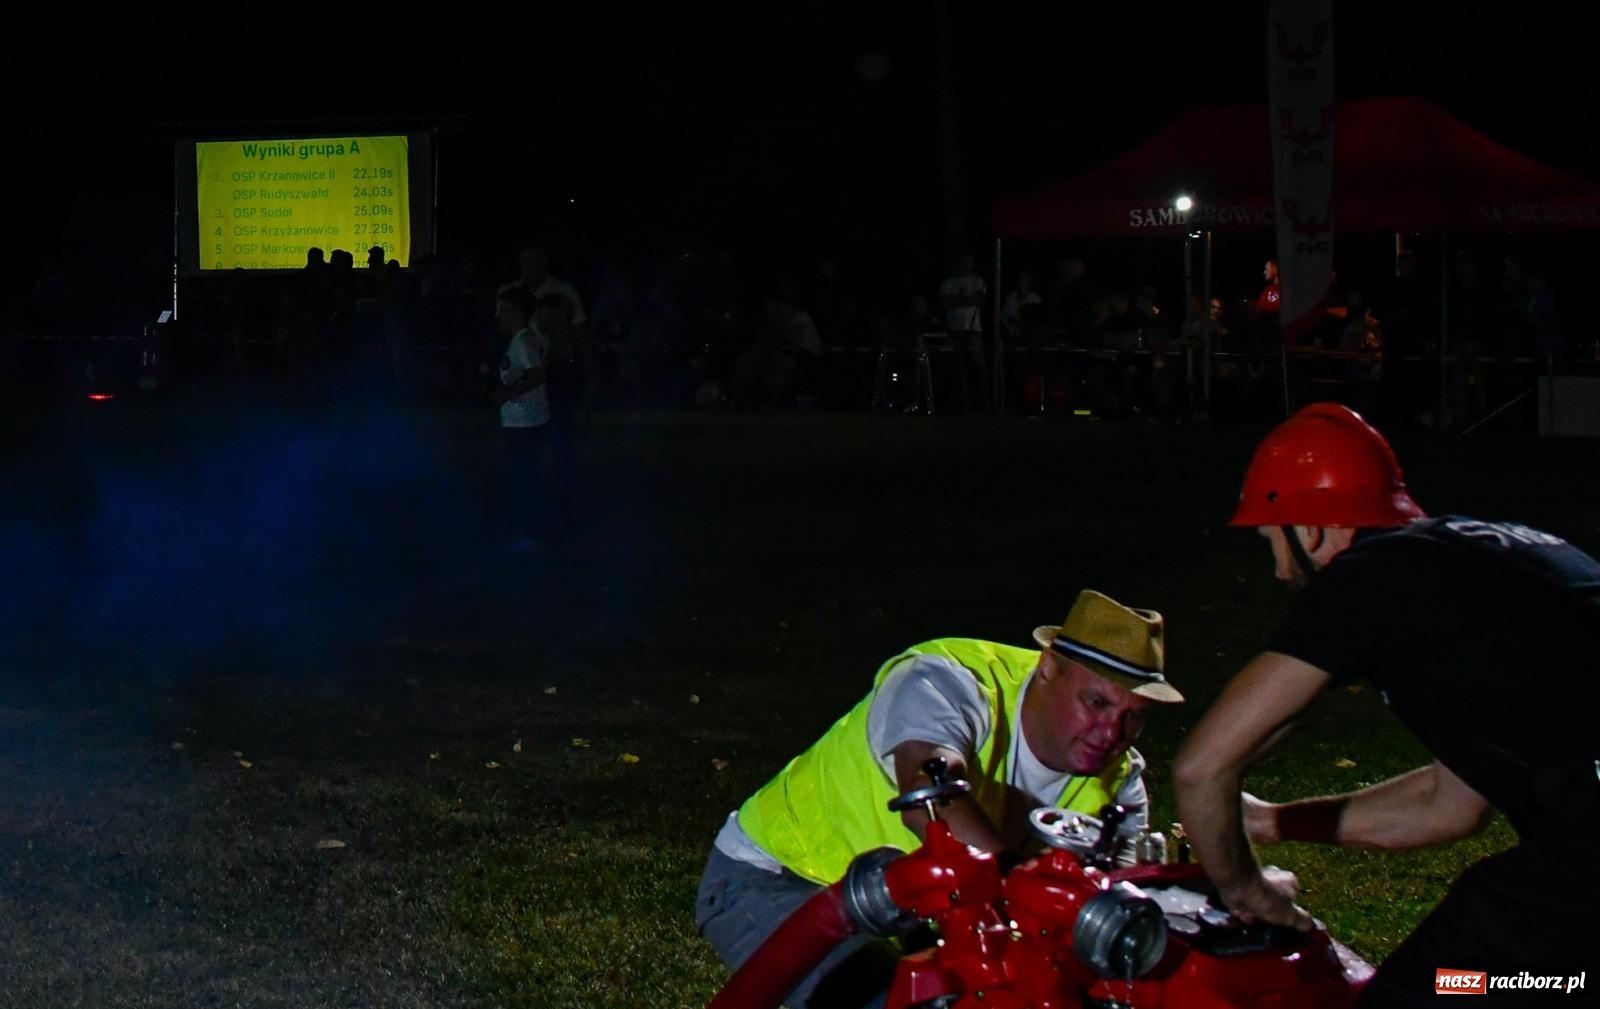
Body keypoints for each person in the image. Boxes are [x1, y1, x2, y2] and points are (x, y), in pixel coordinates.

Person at [1173, 403, 1600, 1008]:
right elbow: (1444, 805)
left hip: (1582, 861)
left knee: (1430, 989)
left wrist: (1246, 891)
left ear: (1311, 531)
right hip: (1578, 851)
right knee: (1515, 983)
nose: (1275, 569)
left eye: (1273, 542)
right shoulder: (1470, 568)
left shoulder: (1364, 579)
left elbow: (1202, 766)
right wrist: (1274, 821)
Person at [699, 589, 1183, 1008]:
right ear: (1048, 666)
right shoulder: (945, 679)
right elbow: (927, 797)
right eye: (1096, 702)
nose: (1111, 732)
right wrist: (1025, 894)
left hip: (914, 920)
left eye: (1134, 717)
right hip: (777, 880)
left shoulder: (1119, 781)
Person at [488, 284, 551, 554]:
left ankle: (532, 533)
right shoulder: (518, 340)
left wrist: (507, 393)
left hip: (525, 422)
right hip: (520, 420)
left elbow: (537, 374)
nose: (499, 315)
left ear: (517, 312)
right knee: (524, 475)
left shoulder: (524, 340)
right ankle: (529, 530)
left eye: (504, 310)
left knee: (525, 476)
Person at [939, 252, 988, 411]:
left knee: (978, 367)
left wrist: (957, 300)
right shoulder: (949, 282)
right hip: (954, 330)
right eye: (965, 260)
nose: (968, 263)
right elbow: (946, 303)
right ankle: (960, 404)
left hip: (973, 330)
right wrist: (965, 299)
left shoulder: (978, 281)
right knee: (957, 369)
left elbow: (976, 299)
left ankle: (982, 404)